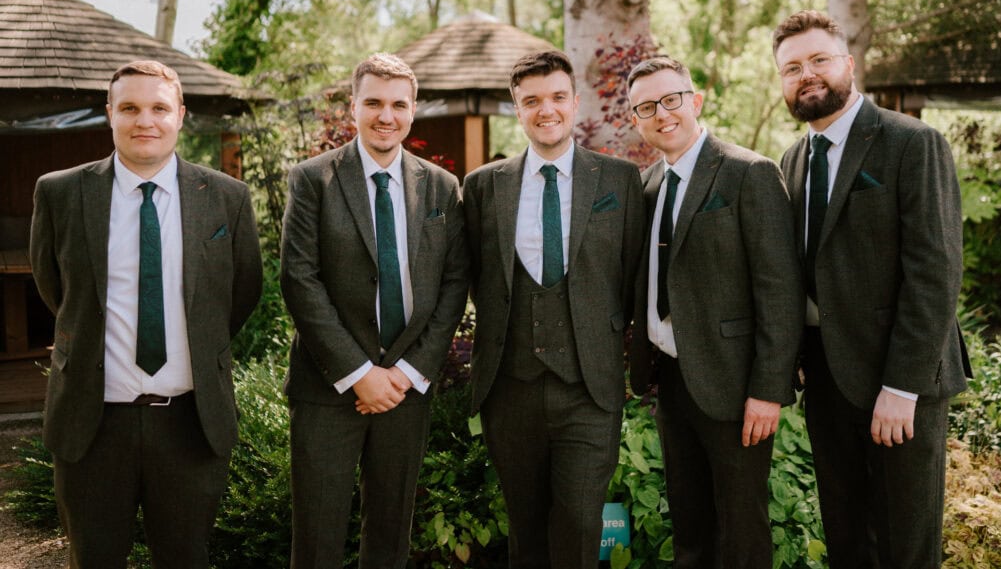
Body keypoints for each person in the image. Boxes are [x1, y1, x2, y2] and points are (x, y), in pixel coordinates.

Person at [29, 60, 262, 569]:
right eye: (130, 108)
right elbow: (56, 291)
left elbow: (241, 294)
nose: (145, 121)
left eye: (159, 108)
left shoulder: (227, 197)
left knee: (185, 559)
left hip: (189, 422)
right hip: (92, 423)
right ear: (110, 114)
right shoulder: (61, 192)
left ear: (180, 114)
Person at [773, 10, 970, 569]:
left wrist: (902, 387)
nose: (806, 75)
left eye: (818, 60)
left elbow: (935, 272)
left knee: (904, 542)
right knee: (847, 534)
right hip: (827, 379)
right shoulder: (792, 161)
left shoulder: (911, 142)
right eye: (792, 67)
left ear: (848, 64)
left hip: (898, 379)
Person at [280, 53, 470, 569]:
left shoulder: (442, 187)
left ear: (413, 111)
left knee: (390, 538)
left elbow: (455, 285)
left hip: (406, 391)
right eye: (374, 103)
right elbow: (299, 279)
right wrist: (360, 374)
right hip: (328, 387)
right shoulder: (312, 179)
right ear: (354, 106)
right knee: (317, 540)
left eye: (398, 105)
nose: (386, 115)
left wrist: (406, 374)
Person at [462, 50, 645, 568]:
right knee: (526, 532)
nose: (547, 110)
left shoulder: (619, 181)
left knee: (580, 526)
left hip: (588, 388)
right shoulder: (482, 187)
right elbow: (472, 276)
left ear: (574, 102)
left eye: (557, 97)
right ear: (517, 110)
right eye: (532, 101)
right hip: (509, 388)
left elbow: (634, 276)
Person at [626, 56, 803, 568]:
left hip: (735, 385)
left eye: (671, 100)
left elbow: (780, 290)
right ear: (636, 119)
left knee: (741, 528)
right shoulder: (648, 185)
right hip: (672, 380)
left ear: (695, 101)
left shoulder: (749, 172)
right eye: (646, 107)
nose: (662, 114)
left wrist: (768, 391)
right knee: (690, 524)